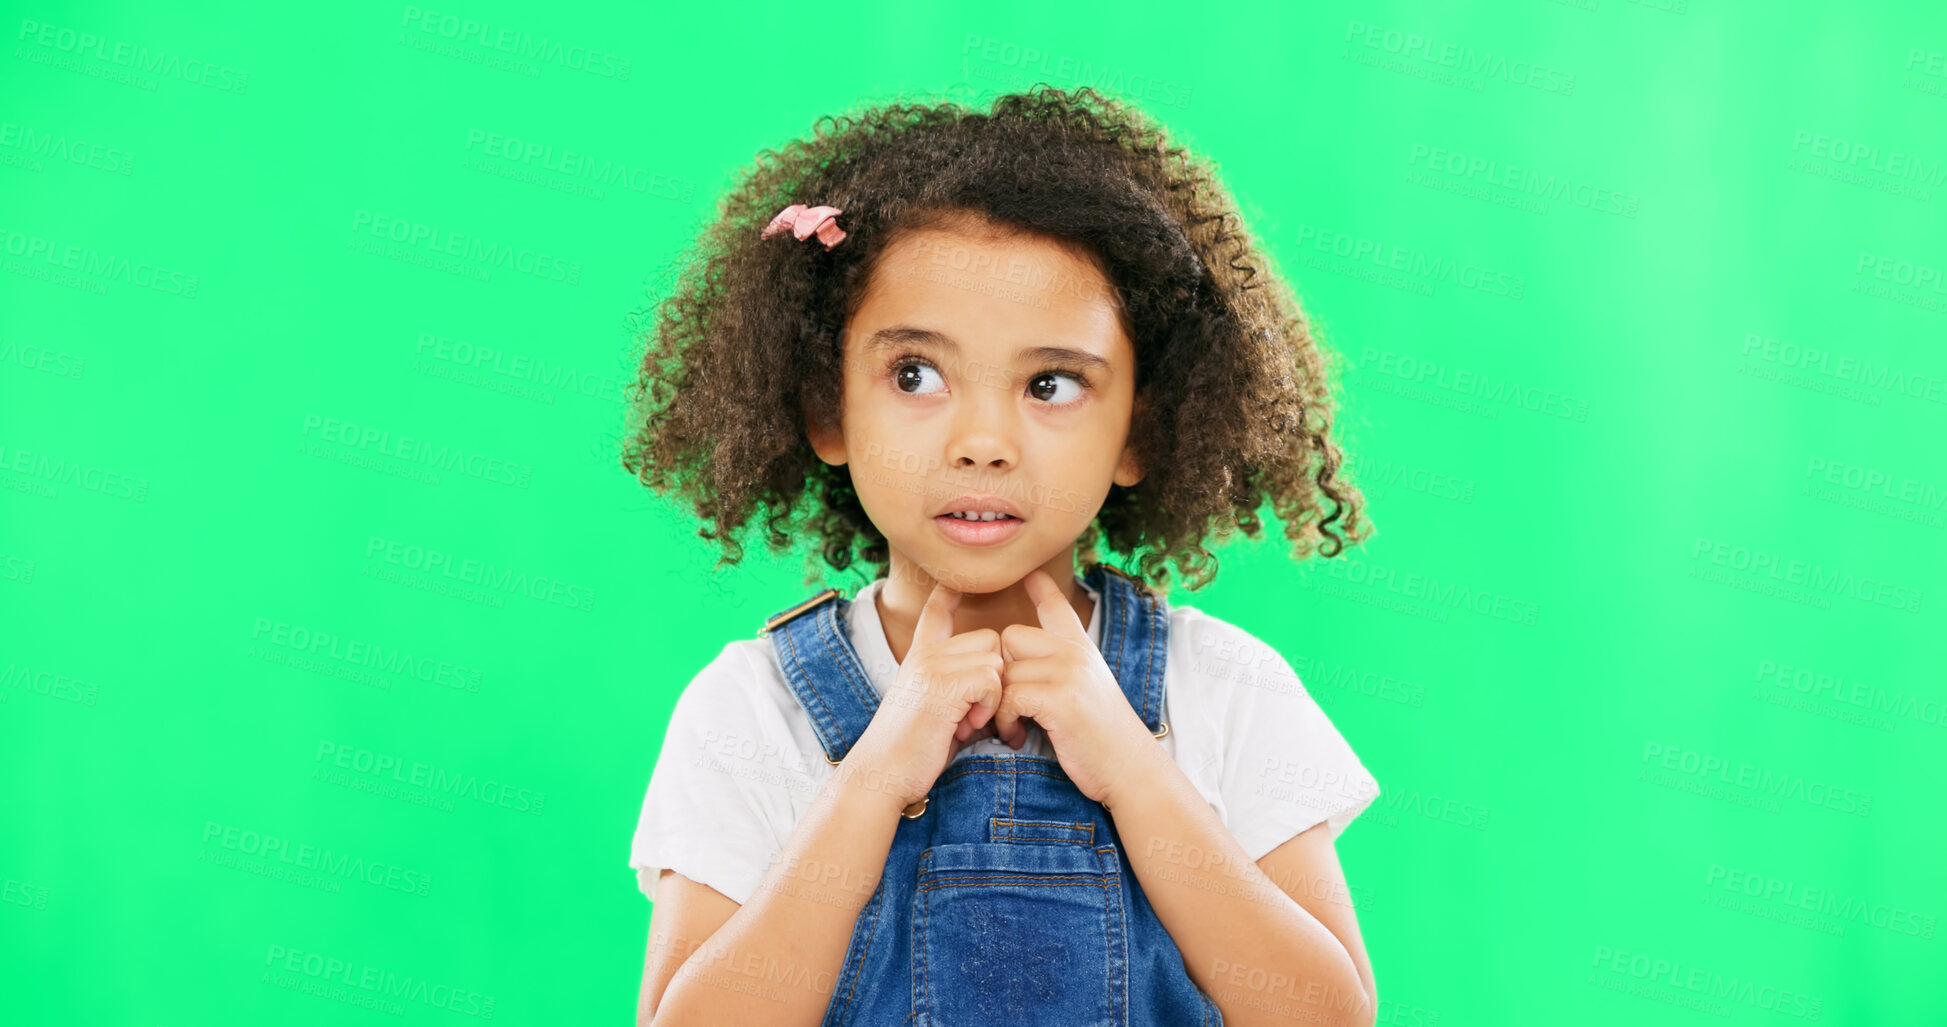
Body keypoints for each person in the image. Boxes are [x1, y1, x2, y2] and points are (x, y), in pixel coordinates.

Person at [621, 84, 1381, 1027]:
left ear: (1139, 429)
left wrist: (1130, 766)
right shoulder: (752, 708)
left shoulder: (1223, 688)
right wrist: (875, 773)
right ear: (827, 409)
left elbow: (1327, 1016)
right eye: (916, 374)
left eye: (1051, 383)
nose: (983, 440)